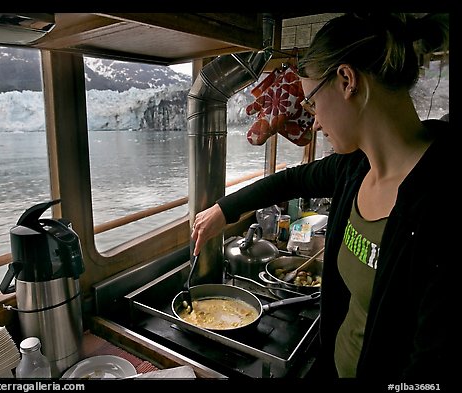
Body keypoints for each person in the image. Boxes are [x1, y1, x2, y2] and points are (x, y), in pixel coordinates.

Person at [191, 13, 451, 379]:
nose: (313, 122)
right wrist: (224, 208)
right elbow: (291, 181)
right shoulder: (356, 167)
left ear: (347, 81)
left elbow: (431, 369)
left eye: (312, 102)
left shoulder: (440, 203)